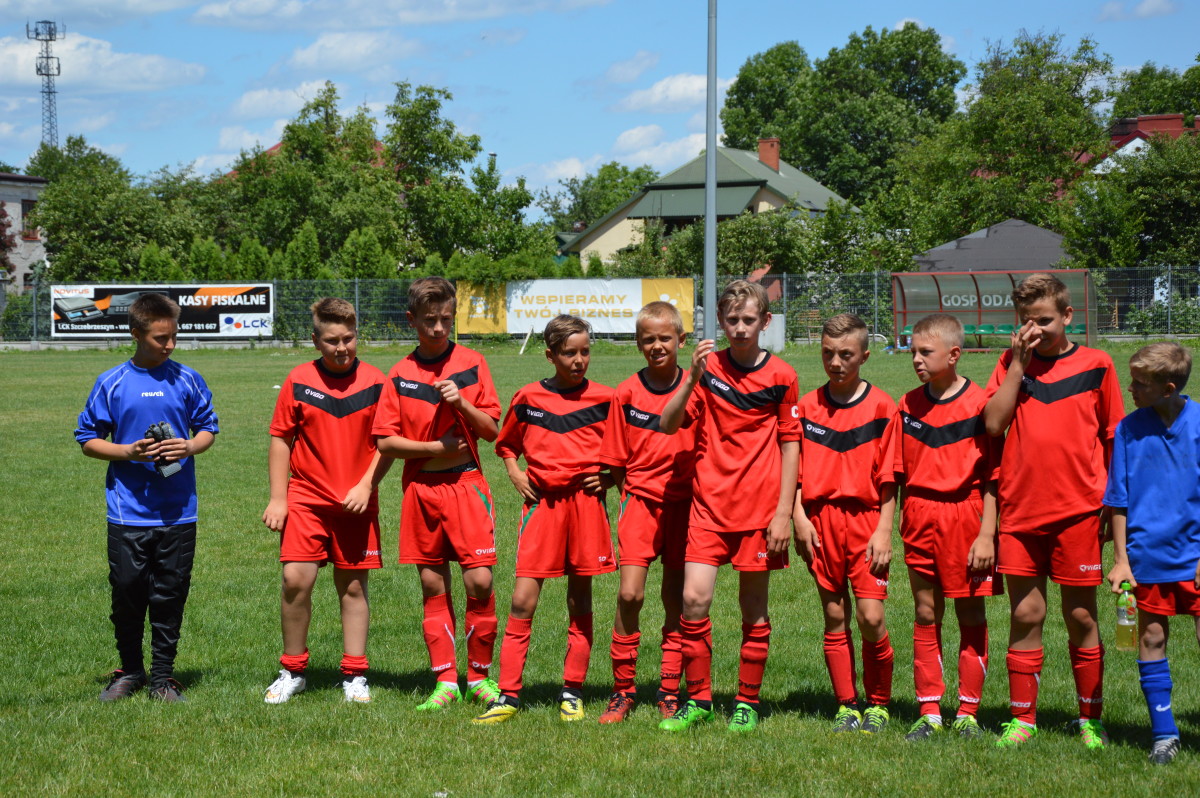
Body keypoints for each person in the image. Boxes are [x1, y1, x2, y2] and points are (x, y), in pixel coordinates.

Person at [982, 272, 1124, 749]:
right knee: (1026, 613)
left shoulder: (1097, 364)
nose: (1035, 330)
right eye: (1026, 321)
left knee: (1081, 615)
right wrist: (1018, 367)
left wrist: (1112, 505)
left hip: (1079, 510)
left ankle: (1090, 719)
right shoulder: (1010, 362)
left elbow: (1113, 438)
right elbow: (993, 424)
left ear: (1067, 315)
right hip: (1020, 510)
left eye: (1044, 320)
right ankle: (1023, 720)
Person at [656, 279, 800, 733]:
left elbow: (791, 445)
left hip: (759, 510)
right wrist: (692, 378)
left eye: (749, 320)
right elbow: (667, 423)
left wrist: (783, 513)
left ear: (765, 322)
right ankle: (699, 699)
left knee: (753, 608)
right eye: (732, 319)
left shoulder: (782, 375)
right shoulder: (708, 368)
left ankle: (746, 702)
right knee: (693, 600)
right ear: (719, 320)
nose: (740, 328)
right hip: (708, 506)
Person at [472, 315, 616, 724]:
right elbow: (506, 444)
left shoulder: (606, 399)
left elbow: (630, 451)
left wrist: (608, 477)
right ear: (550, 355)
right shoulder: (529, 397)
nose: (579, 360)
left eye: (585, 351)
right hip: (543, 506)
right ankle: (508, 694)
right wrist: (515, 473)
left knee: (579, 599)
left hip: (585, 506)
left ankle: (572, 691)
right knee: (522, 599)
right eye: (569, 353)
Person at [76, 292, 218, 703]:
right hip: (128, 512)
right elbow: (87, 439)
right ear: (136, 334)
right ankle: (130, 671)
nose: (169, 345)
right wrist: (127, 452)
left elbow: (208, 429)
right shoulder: (112, 382)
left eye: (174, 336)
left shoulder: (188, 379)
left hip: (178, 511)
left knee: (170, 593)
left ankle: (163, 678)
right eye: (160, 338)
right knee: (127, 591)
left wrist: (189, 446)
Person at [373, 277, 504, 710]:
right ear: (411, 319)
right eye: (429, 320)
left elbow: (492, 430)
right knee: (433, 585)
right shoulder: (400, 374)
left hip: (467, 485)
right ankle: (446, 681)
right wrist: (436, 448)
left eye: (446, 319)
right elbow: (385, 442)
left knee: (480, 581)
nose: (438, 328)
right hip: (422, 490)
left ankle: (480, 678)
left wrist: (462, 403)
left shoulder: (473, 363)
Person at [261, 298, 392, 704]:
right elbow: (281, 439)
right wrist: (278, 499)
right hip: (306, 498)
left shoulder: (376, 382)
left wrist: (366, 486)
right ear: (316, 340)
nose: (341, 348)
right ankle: (293, 670)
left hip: (356, 502)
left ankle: (354, 674)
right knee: (295, 581)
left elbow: (387, 444)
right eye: (332, 340)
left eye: (348, 339)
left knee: (353, 587)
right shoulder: (298, 379)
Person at [891, 314, 1002, 741]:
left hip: (966, 516)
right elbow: (897, 472)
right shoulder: (907, 404)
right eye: (912, 352)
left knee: (970, 612)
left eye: (925, 352)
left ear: (954, 355)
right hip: (919, 514)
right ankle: (930, 710)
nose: (916, 359)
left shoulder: (981, 403)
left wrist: (987, 533)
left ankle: (968, 711)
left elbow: (993, 477)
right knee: (925, 611)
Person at [793, 313, 898, 734]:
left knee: (871, 618)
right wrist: (799, 518)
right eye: (828, 353)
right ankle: (847, 704)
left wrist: (884, 530)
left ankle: (879, 704)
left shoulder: (882, 406)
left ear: (864, 357)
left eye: (846, 355)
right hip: (820, 522)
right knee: (834, 614)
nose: (836, 362)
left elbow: (890, 478)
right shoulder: (807, 406)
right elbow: (793, 471)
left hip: (866, 522)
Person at [596, 301, 695, 723]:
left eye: (665, 338)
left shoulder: (695, 388)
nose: (657, 346)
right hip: (639, 503)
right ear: (638, 343)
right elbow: (615, 459)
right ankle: (622, 690)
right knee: (629, 594)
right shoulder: (626, 392)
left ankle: (669, 690)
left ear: (681, 340)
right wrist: (631, 492)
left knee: (676, 598)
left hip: (686, 505)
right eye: (648, 339)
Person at [1104, 342, 1200, 765]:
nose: (1131, 389)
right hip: (1147, 557)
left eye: (1139, 383)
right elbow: (1118, 499)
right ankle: (1164, 733)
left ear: (1168, 388)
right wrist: (1122, 560)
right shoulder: (1128, 429)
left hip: (1194, 557)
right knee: (1150, 637)